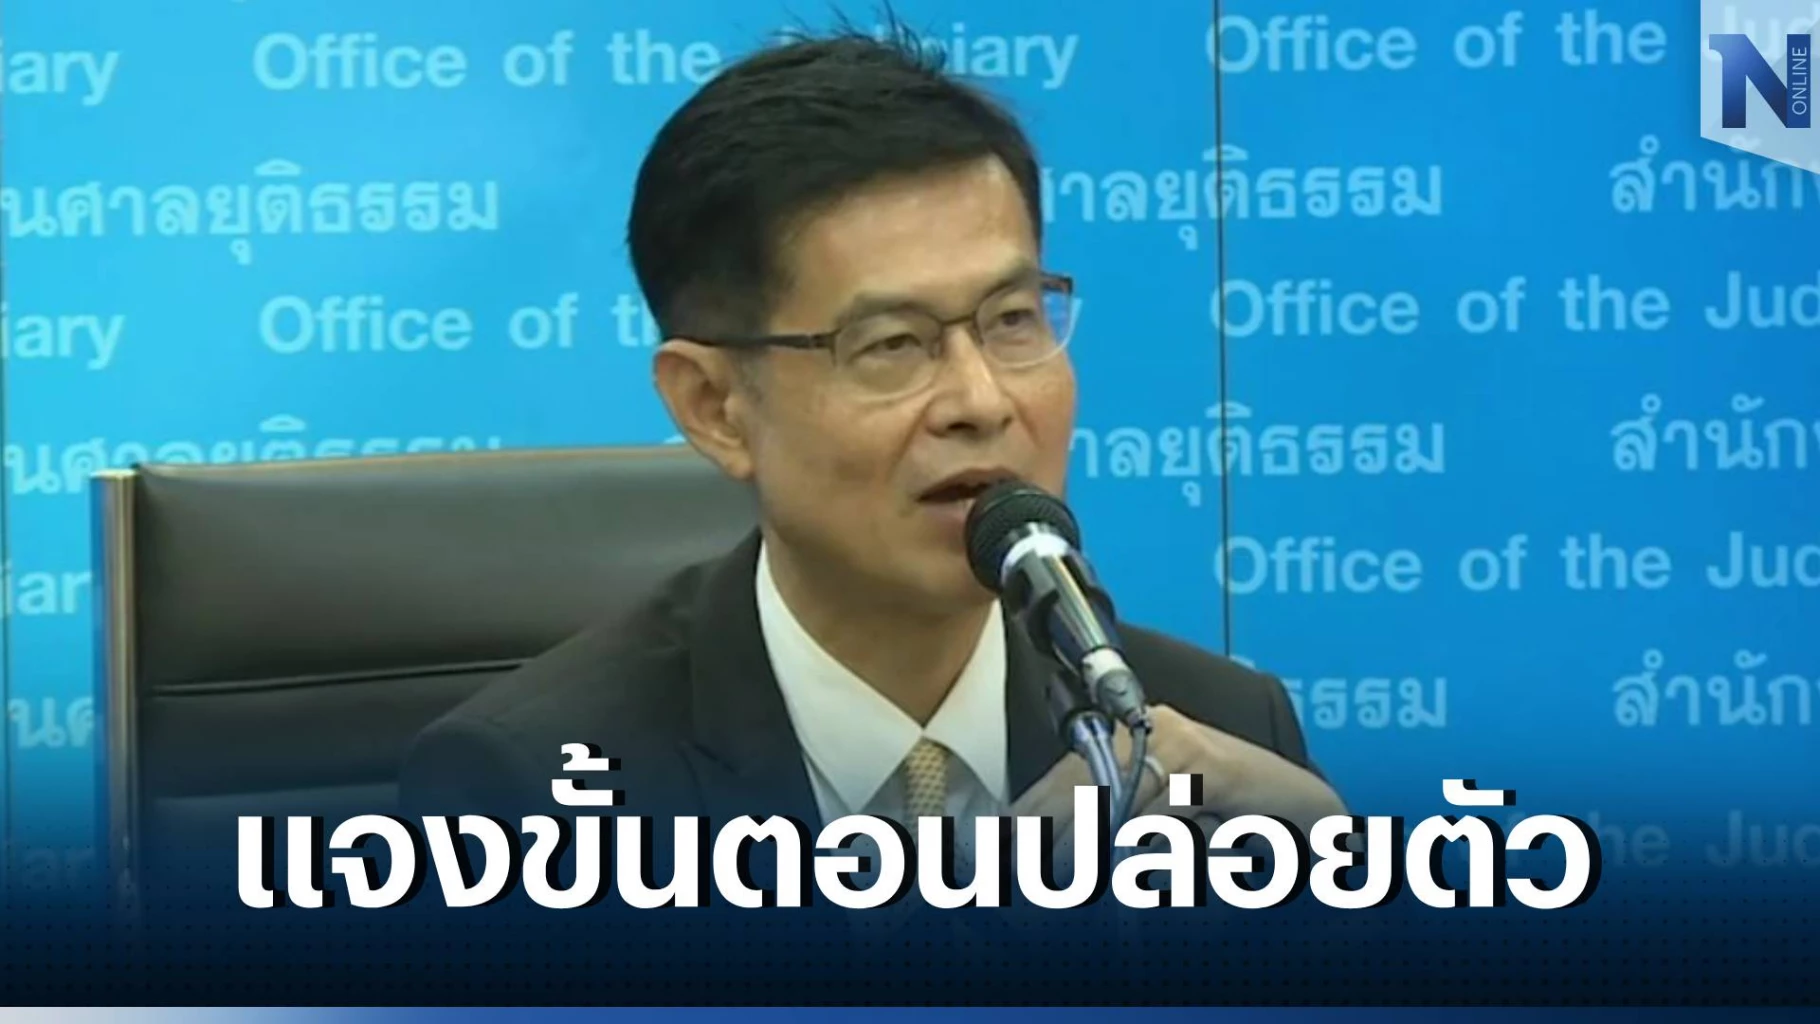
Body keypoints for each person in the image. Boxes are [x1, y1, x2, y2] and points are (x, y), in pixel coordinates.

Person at [398, 23, 1345, 885]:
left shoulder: (1222, 740)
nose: (981, 401)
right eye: (892, 343)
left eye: (1013, 319)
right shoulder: (535, 794)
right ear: (715, 407)